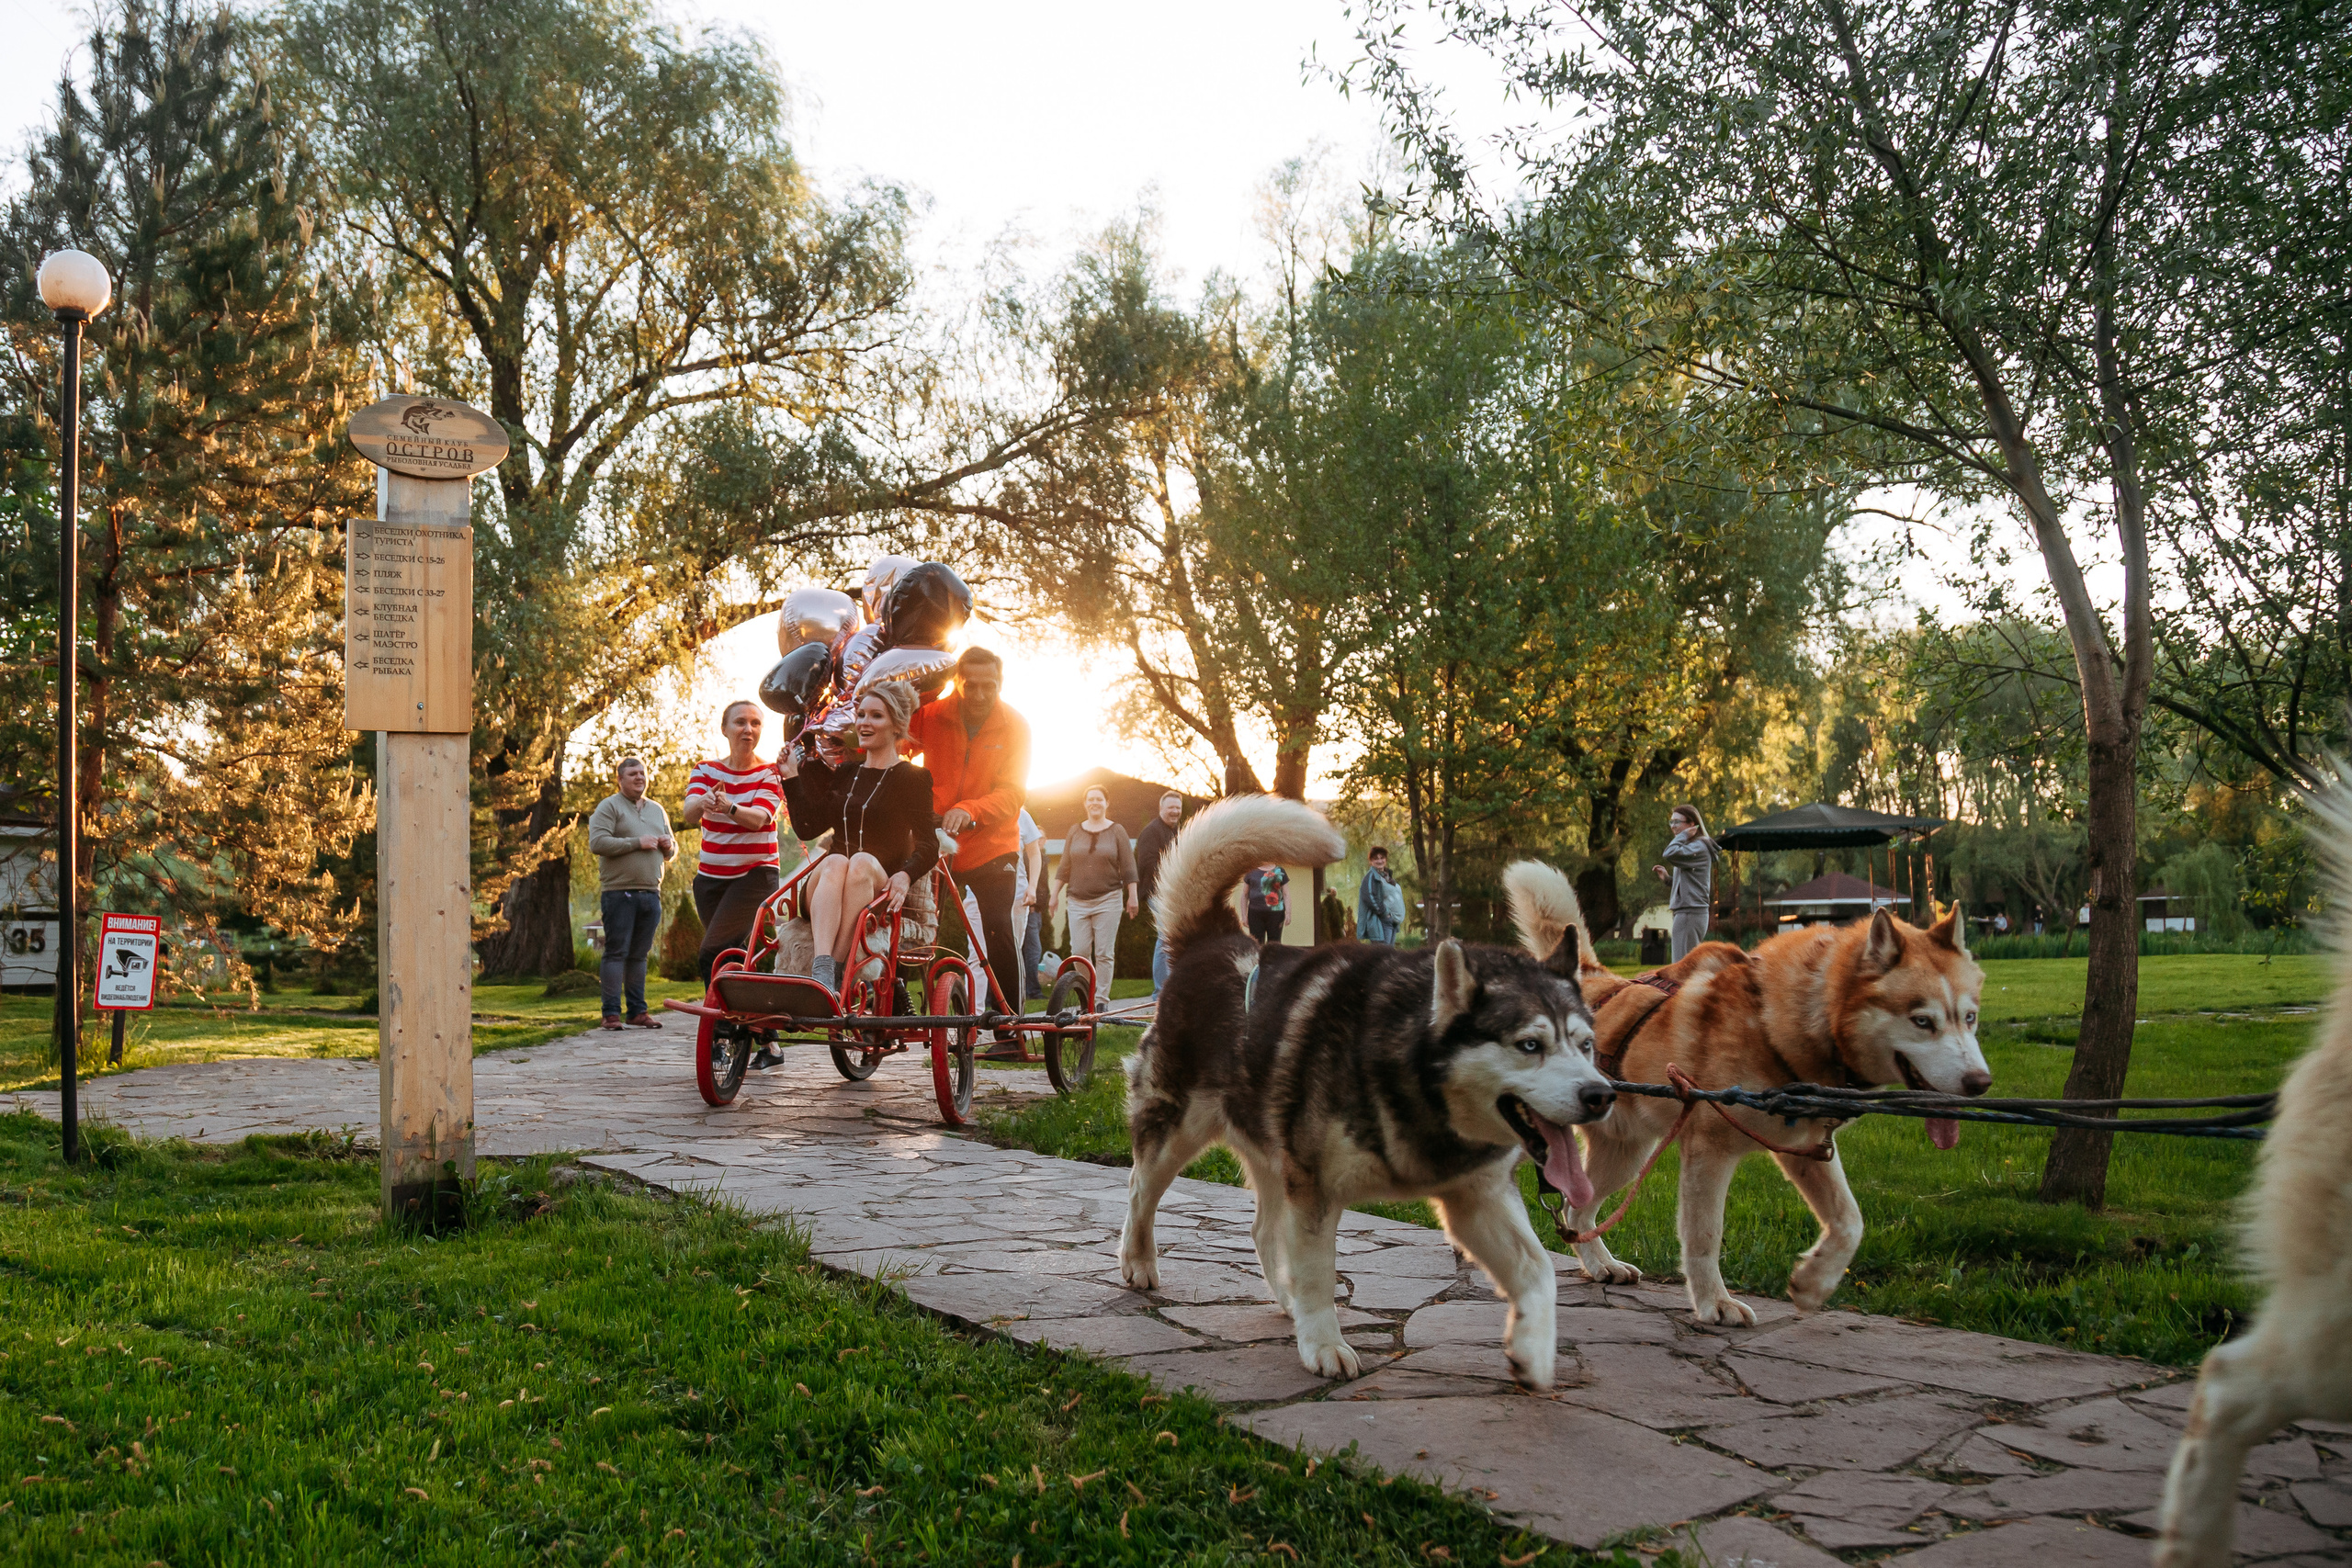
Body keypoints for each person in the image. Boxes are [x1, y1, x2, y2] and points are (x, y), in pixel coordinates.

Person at [778, 682, 939, 995]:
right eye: (861, 714)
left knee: (861, 861)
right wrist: (791, 776)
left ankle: (836, 970)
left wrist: (905, 876)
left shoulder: (913, 778)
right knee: (837, 860)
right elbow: (808, 828)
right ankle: (823, 969)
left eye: (876, 716)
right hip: (826, 888)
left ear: (897, 725)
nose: (864, 723)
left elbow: (929, 844)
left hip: (873, 888)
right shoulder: (846, 772)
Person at [906, 649, 1029, 1039]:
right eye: (970, 685)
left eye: (988, 686)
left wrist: (970, 809)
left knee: (996, 929)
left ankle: (1008, 1026)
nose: (978, 694)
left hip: (993, 843)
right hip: (938, 841)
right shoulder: (932, 715)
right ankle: (906, 1007)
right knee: (919, 927)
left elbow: (1012, 793)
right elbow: (896, 744)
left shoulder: (1015, 726)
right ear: (958, 681)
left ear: (1001, 683)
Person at [681, 701, 785, 983]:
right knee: (730, 955)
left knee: (712, 953)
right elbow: (689, 813)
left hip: (755, 876)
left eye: (756, 723)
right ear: (724, 729)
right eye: (740, 722)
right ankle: (755, 1026)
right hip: (709, 881)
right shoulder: (705, 770)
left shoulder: (771, 773)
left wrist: (729, 807)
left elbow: (759, 819)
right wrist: (704, 801)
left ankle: (718, 1025)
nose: (748, 729)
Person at [586, 755, 676, 1028]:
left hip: (651, 893)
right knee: (617, 952)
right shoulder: (609, 807)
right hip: (619, 893)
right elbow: (598, 842)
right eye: (633, 774)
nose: (639, 778)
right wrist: (636, 842)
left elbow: (672, 850)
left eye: (643, 773)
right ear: (620, 779)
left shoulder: (657, 810)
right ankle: (610, 1014)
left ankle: (637, 1012)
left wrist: (667, 845)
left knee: (639, 954)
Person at [1057, 785, 1137, 991]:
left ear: (1106, 803)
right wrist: (1053, 895)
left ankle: (1100, 1000)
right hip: (1077, 901)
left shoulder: (1117, 831)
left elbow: (1129, 866)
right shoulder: (1075, 831)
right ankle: (1087, 994)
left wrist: (1133, 896)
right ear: (1085, 804)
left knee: (1104, 953)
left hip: (1108, 899)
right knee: (1080, 951)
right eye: (1090, 799)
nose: (1095, 802)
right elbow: (1064, 865)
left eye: (1099, 799)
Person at [964, 806, 1044, 1002]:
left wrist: (1032, 887)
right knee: (977, 956)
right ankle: (973, 1021)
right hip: (976, 896)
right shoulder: (975, 811)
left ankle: (1013, 1018)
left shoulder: (1021, 814)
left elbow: (1034, 854)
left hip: (1016, 896)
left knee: (1012, 956)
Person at [1651, 804, 1719, 962]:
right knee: (1686, 967)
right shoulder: (1694, 847)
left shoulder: (1698, 847)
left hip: (1689, 913)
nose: (1673, 827)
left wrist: (1683, 836)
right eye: (1671, 822)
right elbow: (1693, 881)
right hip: (1689, 912)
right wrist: (1668, 880)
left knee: (1681, 969)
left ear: (1691, 825)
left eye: (1677, 822)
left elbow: (1669, 853)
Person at [1135, 792, 1183, 994]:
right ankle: (1160, 991)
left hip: (1173, 894)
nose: (1175, 811)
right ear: (1161, 809)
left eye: (1178, 808)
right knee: (1165, 937)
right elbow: (1148, 865)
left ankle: (1169, 987)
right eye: (1170, 807)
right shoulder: (1151, 832)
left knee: (1171, 937)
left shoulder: (1176, 831)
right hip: (1158, 893)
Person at [1356, 845, 1405, 944]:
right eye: (1376, 859)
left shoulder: (1387, 876)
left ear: (1386, 859)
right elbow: (1369, 897)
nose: (1379, 861)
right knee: (1382, 955)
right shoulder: (1371, 877)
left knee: (1389, 955)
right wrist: (1385, 913)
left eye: (1382, 858)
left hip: (1392, 922)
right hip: (1381, 923)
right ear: (1371, 861)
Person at [1244, 861, 1289, 944]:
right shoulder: (1251, 871)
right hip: (1255, 914)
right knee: (1256, 943)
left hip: (1276, 913)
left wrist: (1289, 913)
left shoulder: (1280, 871)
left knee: (1274, 943)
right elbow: (1244, 895)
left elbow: (1286, 894)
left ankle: (1273, 958)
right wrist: (1243, 915)